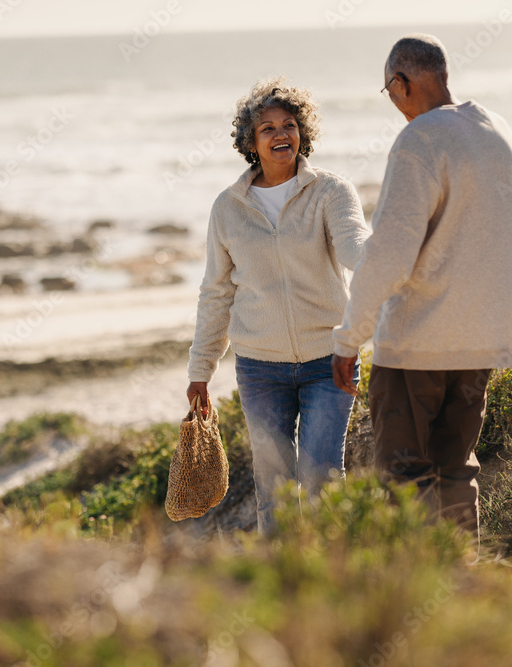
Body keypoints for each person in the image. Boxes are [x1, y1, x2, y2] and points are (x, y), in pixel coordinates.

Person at [331, 34, 512, 540]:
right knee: (457, 471)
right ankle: (463, 586)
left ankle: (411, 594)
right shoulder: (496, 130)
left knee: (403, 478)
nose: (393, 103)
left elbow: (390, 254)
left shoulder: (420, 139)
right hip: (480, 337)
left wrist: (349, 338)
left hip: (417, 345)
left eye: (389, 92)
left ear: (402, 82)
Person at [187, 77, 370, 535]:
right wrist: (200, 370)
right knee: (274, 488)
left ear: (302, 133)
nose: (280, 134)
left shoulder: (331, 192)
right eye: (267, 128)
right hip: (259, 368)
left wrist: (390, 262)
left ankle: (333, 580)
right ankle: (285, 586)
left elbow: (354, 247)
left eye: (289, 125)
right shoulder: (227, 209)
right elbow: (216, 292)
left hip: (329, 361)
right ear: (250, 141)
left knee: (320, 479)